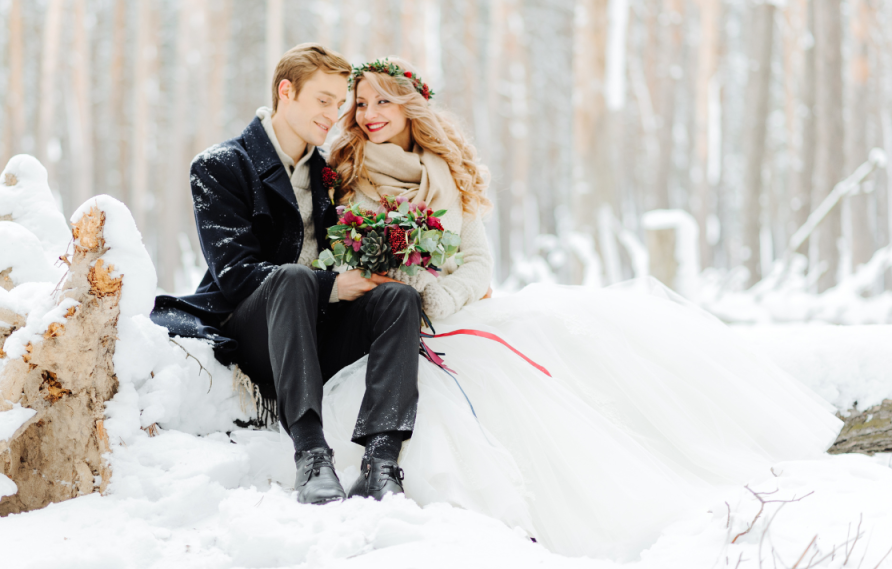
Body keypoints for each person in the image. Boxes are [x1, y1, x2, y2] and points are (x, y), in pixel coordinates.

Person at [321, 57, 842, 560]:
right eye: (361, 103)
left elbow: (478, 262)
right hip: (383, 322)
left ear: (411, 106)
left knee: (550, 345)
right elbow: (330, 257)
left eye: (383, 101)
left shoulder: (447, 173)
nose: (369, 114)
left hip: (451, 312)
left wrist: (441, 295)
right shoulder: (344, 173)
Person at [151, 44, 422, 505]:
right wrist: (331, 285)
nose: (333, 115)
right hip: (254, 335)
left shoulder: (331, 175)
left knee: (399, 299)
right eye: (323, 100)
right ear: (286, 91)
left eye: (340, 105)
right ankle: (312, 455)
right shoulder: (220, 166)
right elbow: (235, 275)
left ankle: (381, 461)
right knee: (292, 278)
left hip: (316, 330)